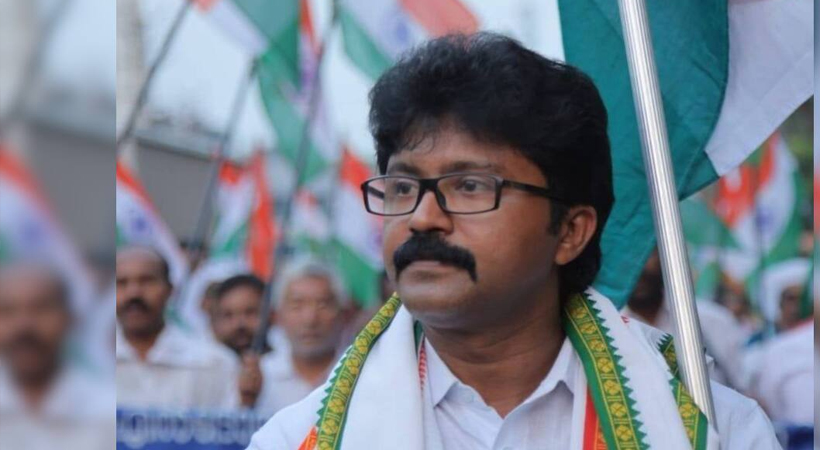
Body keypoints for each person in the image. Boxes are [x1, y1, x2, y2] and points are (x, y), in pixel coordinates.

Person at [248, 33, 779, 449]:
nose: (423, 218)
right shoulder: (298, 439)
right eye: (403, 187)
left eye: (470, 186)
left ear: (570, 231)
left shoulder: (711, 430)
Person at [0, 262, 114, 450]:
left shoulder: (107, 412)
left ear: (70, 318)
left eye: (41, 309)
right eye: (8, 311)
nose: (24, 325)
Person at [115, 246, 237, 410]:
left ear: (170, 290)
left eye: (146, 281)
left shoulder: (214, 363)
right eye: (121, 283)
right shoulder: (89, 369)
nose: (134, 293)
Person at [623, 248, 747, 389]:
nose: (636, 269)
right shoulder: (611, 330)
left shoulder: (711, 321)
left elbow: (743, 387)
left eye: (645, 255)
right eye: (623, 260)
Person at [253, 258, 350, 415]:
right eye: (297, 306)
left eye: (323, 305)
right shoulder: (261, 376)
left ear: (344, 314)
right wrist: (247, 401)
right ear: (277, 316)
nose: (310, 319)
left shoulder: (360, 373)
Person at [211, 273, 270, 409]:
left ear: (270, 314)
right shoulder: (203, 370)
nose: (239, 324)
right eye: (228, 315)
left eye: (250, 312)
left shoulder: (287, 366)